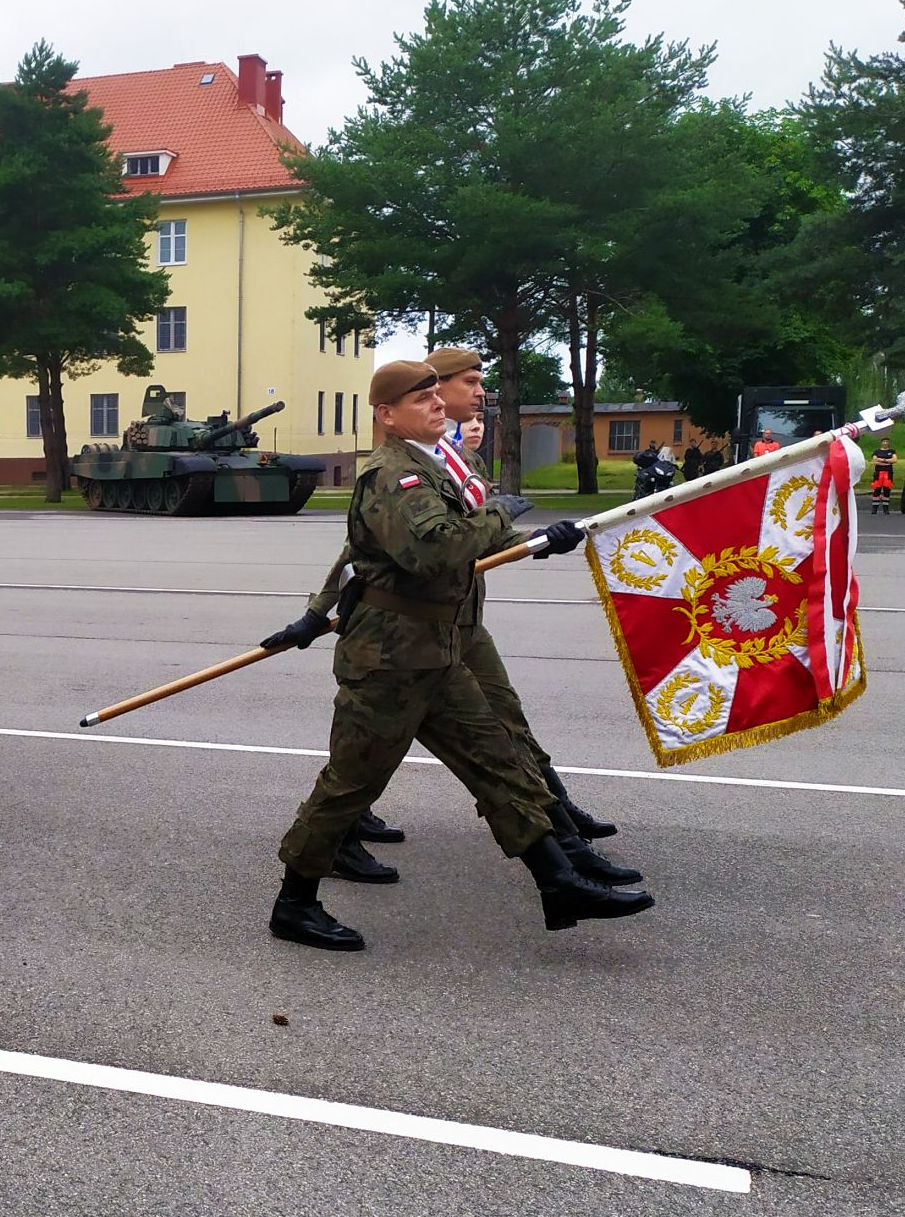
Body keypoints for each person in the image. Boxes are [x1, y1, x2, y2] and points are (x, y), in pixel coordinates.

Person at [260, 359, 653, 951]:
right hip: (390, 658)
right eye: (422, 400)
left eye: (436, 396)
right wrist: (500, 513)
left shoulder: (434, 465)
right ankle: (294, 904)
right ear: (387, 415)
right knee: (349, 787)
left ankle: (559, 882)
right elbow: (438, 552)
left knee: (498, 761)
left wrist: (540, 541)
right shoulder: (393, 475)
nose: (438, 405)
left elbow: (472, 539)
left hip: (438, 648)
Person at [424, 348, 625, 848]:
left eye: (481, 382)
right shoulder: (410, 462)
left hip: (462, 615)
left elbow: (484, 538)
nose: (480, 393)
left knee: (505, 715)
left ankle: (558, 811)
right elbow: (430, 544)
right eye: (469, 382)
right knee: (375, 740)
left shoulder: (462, 458)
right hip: (413, 625)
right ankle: (339, 828)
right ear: (436, 388)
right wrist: (319, 611)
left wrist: (538, 541)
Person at [871, 442, 897, 515]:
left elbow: (894, 460)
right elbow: (875, 461)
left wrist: (881, 460)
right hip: (878, 473)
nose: (885, 443)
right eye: (883, 441)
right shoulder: (877, 451)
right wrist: (888, 462)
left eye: (886, 441)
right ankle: (874, 508)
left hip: (888, 473)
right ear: (881, 443)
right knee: (876, 490)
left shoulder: (892, 451)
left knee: (887, 490)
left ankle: (886, 509)